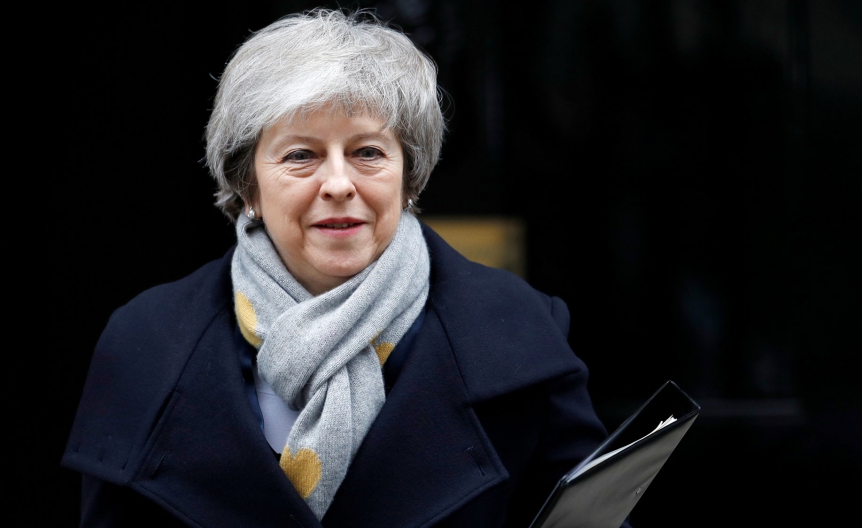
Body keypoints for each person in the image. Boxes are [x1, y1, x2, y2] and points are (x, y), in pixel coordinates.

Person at [62, 9, 628, 527]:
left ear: (409, 178)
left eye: (367, 152)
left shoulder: (522, 331)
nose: (338, 184)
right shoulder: (144, 341)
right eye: (300, 155)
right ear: (246, 184)